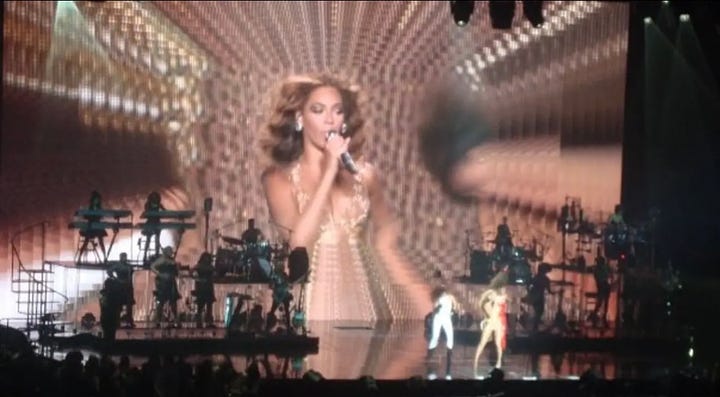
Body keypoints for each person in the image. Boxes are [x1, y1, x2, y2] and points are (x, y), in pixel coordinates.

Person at [260, 73, 431, 324]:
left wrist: (424, 304)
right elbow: (298, 245)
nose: (329, 119)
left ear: (343, 122)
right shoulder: (277, 179)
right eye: (318, 110)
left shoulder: (365, 176)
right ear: (300, 119)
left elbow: (388, 242)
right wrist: (329, 170)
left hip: (364, 303)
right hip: (306, 302)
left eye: (337, 111)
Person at [473, 271, 508, 375]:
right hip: (491, 322)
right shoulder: (490, 296)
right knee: (482, 343)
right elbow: (485, 302)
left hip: (497, 322)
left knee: (498, 344)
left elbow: (502, 298)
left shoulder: (499, 295)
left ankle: (498, 363)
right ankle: (475, 363)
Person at [426, 271, 458, 380]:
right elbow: (434, 307)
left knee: (450, 336)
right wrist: (436, 309)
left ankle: (449, 356)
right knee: (435, 337)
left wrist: (454, 310)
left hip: (446, 318)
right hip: (439, 317)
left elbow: (454, 304)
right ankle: (429, 355)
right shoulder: (438, 295)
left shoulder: (449, 295)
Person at [151, 246, 180, 327]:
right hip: (163, 283)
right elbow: (152, 266)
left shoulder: (172, 260)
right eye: (170, 251)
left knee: (173, 301)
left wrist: (177, 268)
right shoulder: (162, 259)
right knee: (161, 301)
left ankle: (175, 319)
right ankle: (158, 320)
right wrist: (159, 274)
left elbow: (176, 272)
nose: (171, 252)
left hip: (171, 282)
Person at [106, 252, 135, 328]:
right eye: (123, 257)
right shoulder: (117, 265)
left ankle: (130, 321)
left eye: (125, 256)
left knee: (129, 305)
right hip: (120, 287)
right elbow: (109, 271)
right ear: (120, 257)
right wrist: (116, 279)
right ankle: (117, 321)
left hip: (128, 286)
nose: (124, 258)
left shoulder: (129, 266)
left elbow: (131, 273)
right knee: (119, 305)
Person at [78, 191, 107, 260]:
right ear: (93, 200)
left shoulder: (99, 208)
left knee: (101, 241)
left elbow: (102, 216)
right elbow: (85, 216)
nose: (96, 201)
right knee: (86, 241)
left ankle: (105, 257)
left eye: (98, 200)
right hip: (91, 225)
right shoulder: (89, 208)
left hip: (97, 225)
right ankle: (79, 258)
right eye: (95, 199)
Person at [192, 252, 216, 328]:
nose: (207, 259)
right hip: (201, 286)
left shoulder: (210, 266)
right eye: (206, 257)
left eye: (208, 257)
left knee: (209, 305)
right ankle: (199, 322)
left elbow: (215, 273)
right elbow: (191, 272)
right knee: (200, 305)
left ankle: (209, 322)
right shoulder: (199, 266)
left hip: (208, 286)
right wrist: (197, 279)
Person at [142, 191, 166, 261]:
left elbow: (165, 211)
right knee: (148, 239)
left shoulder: (159, 204)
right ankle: (145, 254)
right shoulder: (147, 204)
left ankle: (157, 254)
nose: (154, 198)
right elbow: (146, 212)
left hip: (156, 222)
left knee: (157, 239)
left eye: (155, 197)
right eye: (153, 197)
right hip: (150, 222)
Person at [591, 249, 612, 327]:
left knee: (602, 302)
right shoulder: (598, 269)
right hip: (603, 285)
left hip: (603, 285)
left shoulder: (597, 269)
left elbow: (608, 274)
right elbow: (607, 274)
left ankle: (598, 316)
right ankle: (599, 316)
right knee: (603, 302)